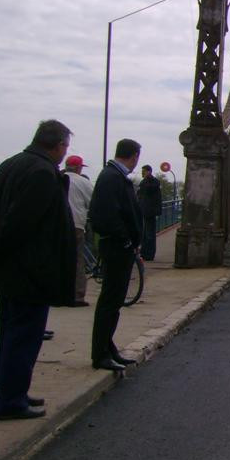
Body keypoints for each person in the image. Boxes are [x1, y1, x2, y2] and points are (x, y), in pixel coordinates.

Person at [0, 120, 76, 419]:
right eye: (65, 147)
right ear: (58, 145)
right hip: (30, 270)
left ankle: (11, 390)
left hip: (9, 270)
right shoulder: (42, 174)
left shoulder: (11, 165)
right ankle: (10, 402)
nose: (64, 152)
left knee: (10, 333)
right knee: (24, 337)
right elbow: (20, 224)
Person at [88, 139, 143, 371]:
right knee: (110, 302)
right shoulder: (112, 177)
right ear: (134, 156)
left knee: (114, 302)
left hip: (120, 247)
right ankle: (100, 354)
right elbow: (105, 215)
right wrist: (126, 240)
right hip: (116, 248)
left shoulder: (114, 176)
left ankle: (108, 348)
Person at [64, 155, 93, 306]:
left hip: (57, 226)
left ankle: (57, 292)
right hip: (76, 225)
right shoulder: (82, 182)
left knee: (58, 260)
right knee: (77, 261)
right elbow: (94, 202)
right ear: (78, 167)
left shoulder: (57, 178)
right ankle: (77, 296)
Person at [136, 164, 162, 261]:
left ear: (148, 171)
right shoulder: (147, 182)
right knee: (146, 233)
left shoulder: (152, 182)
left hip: (149, 211)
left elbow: (147, 190)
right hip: (146, 210)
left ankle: (149, 254)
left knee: (149, 233)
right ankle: (145, 252)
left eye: (144, 172)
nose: (142, 174)